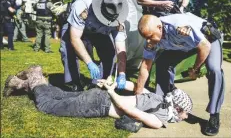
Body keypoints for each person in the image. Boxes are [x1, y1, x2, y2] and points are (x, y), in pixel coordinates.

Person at [4, 65, 192, 131]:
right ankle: (35, 75)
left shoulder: (157, 98)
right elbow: (129, 110)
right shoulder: (159, 120)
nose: (186, 117)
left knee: (61, 95)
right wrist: (111, 91)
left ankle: (19, 83)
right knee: (47, 105)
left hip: (97, 96)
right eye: (185, 114)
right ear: (177, 109)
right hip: (99, 104)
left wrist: (112, 83)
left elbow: (134, 87)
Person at [135, 14, 224, 136]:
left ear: (159, 27)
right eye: (145, 38)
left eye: (150, 37)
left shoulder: (178, 26)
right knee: (162, 62)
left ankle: (215, 115)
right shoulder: (151, 40)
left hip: (207, 40)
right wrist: (138, 95)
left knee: (215, 70)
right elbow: (145, 66)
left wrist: (194, 69)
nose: (148, 41)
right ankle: (162, 104)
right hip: (184, 45)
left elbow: (205, 47)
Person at [60, 0, 129, 91]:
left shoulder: (119, 18)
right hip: (77, 29)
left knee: (110, 53)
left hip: (100, 32)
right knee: (67, 49)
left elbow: (120, 50)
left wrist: (122, 74)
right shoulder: (82, 7)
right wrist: (89, 63)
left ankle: (101, 82)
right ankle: (74, 82)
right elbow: (75, 38)